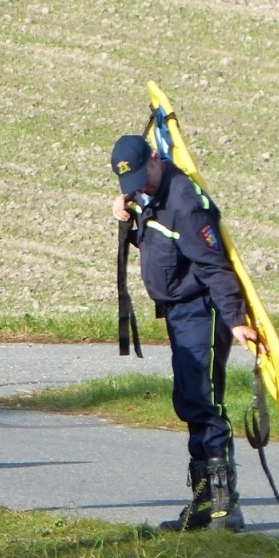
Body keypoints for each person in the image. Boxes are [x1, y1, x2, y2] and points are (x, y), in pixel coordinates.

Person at [110, 136, 257, 532]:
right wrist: (128, 212)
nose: (140, 186)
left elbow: (215, 267)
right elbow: (156, 234)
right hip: (179, 313)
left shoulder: (186, 204)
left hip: (202, 311)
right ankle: (204, 501)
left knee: (204, 400)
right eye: (133, 183)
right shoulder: (151, 195)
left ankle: (226, 506)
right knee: (190, 400)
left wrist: (235, 319)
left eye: (143, 178)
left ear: (156, 158)